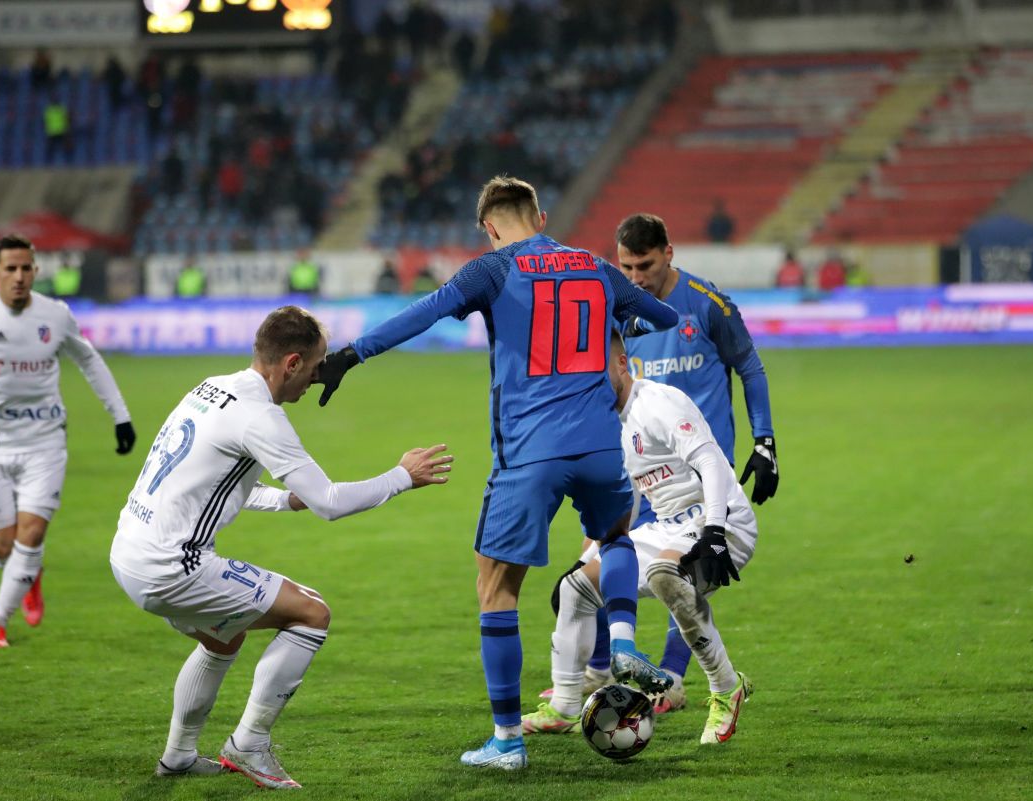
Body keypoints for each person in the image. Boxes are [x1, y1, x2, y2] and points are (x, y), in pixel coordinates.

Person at [313, 176, 680, 770]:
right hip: (600, 447)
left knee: (496, 589)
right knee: (614, 538)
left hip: (530, 453)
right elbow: (661, 315)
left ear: (489, 228)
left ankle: (507, 741)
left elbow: (424, 313)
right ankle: (623, 642)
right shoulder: (595, 267)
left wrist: (349, 356)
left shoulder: (493, 269)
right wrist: (618, 323)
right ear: (541, 215)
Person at [110, 306, 452, 788]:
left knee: (223, 637)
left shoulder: (211, 388)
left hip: (129, 549)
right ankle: (249, 743)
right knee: (311, 613)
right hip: (172, 566)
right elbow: (329, 502)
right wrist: (401, 477)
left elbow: (207, 478)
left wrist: (286, 501)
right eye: (315, 367)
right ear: (291, 363)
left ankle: (178, 757)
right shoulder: (260, 417)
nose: (317, 379)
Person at [573, 213, 775, 715]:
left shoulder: (706, 304)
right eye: (626, 267)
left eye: (644, 265)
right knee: (593, 561)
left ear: (669, 253)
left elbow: (749, 366)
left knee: (678, 570)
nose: (635, 277)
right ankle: (597, 672)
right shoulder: (622, 314)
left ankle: (671, 679)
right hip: (640, 460)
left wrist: (765, 441)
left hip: (699, 466)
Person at [523, 331, 756, 745]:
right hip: (668, 526)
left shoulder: (658, 403)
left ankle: (726, 688)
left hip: (722, 519)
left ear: (621, 364)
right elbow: (626, 498)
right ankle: (564, 706)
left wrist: (716, 531)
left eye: (597, 372)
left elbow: (710, 460)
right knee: (576, 587)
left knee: (666, 574)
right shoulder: (606, 423)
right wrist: (592, 553)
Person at [0, 234, 136, 649]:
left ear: (36, 271)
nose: (19, 276)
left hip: (45, 443)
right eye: (10, 269)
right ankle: (29, 575)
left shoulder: (55, 315)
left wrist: (121, 416)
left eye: (25, 268)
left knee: (31, 535)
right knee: (4, 548)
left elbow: (90, 361)